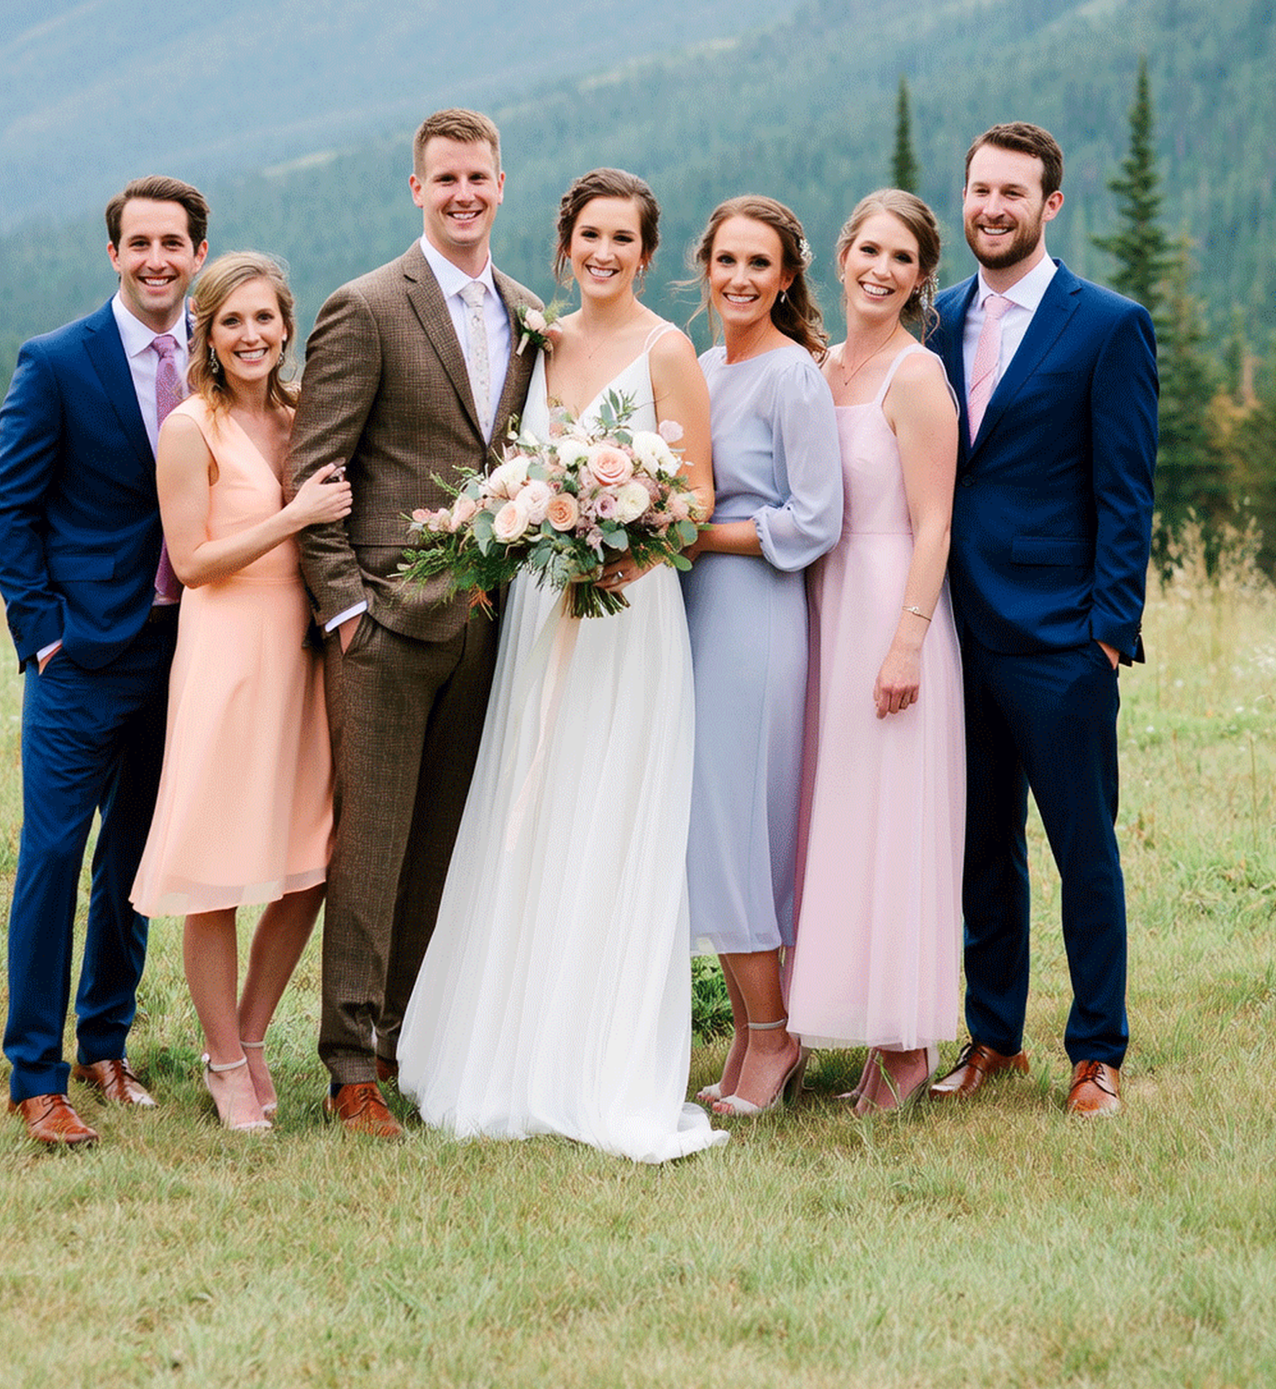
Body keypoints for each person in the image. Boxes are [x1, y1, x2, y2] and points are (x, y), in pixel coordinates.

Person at [395, 168, 725, 1164]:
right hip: (541, 605)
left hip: (628, 614)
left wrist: (632, 547)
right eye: (590, 235)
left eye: (623, 239)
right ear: (565, 243)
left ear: (647, 254)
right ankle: (509, 1048)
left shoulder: (667, 351)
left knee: (611, 812)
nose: (604, 253)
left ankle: (603, 1060)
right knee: (529, 811)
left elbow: (698, 496)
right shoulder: (538, 340)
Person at [288, 110, 545, 1140]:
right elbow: (317, 469)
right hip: (385, 627)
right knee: (371, 848)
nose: (463, 194)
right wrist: (348, 610)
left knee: (441, 844)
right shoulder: (365, 306)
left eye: (478, 177)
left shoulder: (529, 313)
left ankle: (400, 1042)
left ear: (501, 183)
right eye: (445, 179)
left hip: (487, 623)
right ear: (416, 189)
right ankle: (348, 1067)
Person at [922, 122, 1157, 1118]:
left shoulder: (1106, 325)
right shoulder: (934, 318)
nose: (993, 208)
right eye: (980, 190)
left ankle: (1096, 1052)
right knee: (982, 846)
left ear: (1049, 204)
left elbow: (1126, 489)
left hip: (1061, 636)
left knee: (1081, 848)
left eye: (1013, 193)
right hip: (954, 630)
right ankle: (994, 1038)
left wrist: (1107, 630)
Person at [0, 175, 208, 1146]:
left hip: (185, 649)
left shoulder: (220, 354)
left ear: (198, 253)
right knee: (53, 855)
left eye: (173, 243)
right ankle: (35, 1075)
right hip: (79, 656)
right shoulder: (57, 361)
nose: (157, 259)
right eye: (139, 243)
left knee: (136, 857)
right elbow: (7, 512)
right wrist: (44, 634)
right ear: (113, 253)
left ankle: (104, 1044)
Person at [131, 253, 351, 1134]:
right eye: (232, 321)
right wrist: (293, 516)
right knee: (217, 869)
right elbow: (191, 561)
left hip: (302, 656)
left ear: (287, 326)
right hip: (227, 653)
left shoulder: (302, 418)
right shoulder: (192, 427)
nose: (251, 335)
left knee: (313, 858)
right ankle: (223, 1062)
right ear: (208, 335)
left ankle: (252, 1034)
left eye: (264, 318)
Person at [789, 191, 966, 1116]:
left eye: (902, 258)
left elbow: (935, 522)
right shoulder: (818, 365)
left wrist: (907, 642)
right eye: (869, 250)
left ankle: (907, 1044)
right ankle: (860, 1024)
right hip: (824, 605)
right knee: (843, 819)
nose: (881, 269)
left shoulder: (917, 374)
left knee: (895, 819)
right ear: (843, 254)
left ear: (921, 277)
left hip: (892, 607)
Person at [681, 196, 845, 1119]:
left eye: (759, 263)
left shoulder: (793, 376)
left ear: (786, 279)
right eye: (727, 260)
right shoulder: (704, 368)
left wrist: (696, 536)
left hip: (757, 611)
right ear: (706, 267)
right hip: (699, 612)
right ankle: (750, 1034)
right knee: (712, 822)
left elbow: (815, 519)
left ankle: (777, 1035)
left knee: (741, 821)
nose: (740, 278)